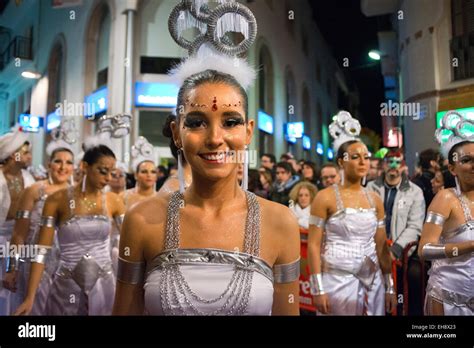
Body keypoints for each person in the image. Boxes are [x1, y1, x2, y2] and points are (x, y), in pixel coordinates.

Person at [113, 1, 299, 315]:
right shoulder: (141, 220)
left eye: (231, 121)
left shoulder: (280, 222)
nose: (215, 138)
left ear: (248, 131)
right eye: (197, 122)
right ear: (176, 133)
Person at [15, 144, 125, 315]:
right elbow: (41, 251)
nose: (108, 178)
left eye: (112, 173)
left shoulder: (114, 201)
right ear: (84, 166)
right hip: (66, 287)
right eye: (103, 171)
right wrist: (30, 297)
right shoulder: (56, 200)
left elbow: (130, 246)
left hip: (104, 286)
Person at [307, 111, 396, 315]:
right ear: (341, 162)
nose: (363, 162)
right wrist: (318, 288)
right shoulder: (325, 197)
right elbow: (313, 245)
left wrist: (389, 285)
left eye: (366, 157)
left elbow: (382, 247)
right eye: (355, 157)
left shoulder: (374, 199)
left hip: (373, 282)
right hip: (336, 282)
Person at [4, 145, 74, 315]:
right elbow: (19, 234)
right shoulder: (33, 191)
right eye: (58, 161)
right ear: (49, 164)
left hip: (68, 265)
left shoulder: (78, 193)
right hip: (35, 262)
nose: (63, 167)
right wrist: (11, 268)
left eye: (68, 162)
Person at [419, 111, 474, 315]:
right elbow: (424, 250)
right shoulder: (445, 199)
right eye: (467, 160)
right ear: (452, 168)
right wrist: (469, 246)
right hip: (448, 300)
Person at [366, 149, 425, 315]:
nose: (393, 166)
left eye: (397, 162)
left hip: (402, 251)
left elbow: (415, 226)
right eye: (389, 161)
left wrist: (396, 250)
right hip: (373, 248)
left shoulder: (415, 192)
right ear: (383, 165)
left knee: (414, 275)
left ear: (403, 165)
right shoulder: (370, 188)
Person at [0, 129, 35, 315]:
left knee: (16, 290)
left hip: (21, 242)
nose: (30, 156)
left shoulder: (28, 179)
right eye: (26, 152)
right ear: (14, 154)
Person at [121, 137, 158, 210]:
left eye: (153, 172)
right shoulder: (124, 197)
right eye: (144, 171)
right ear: (136, 175)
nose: (149, 175)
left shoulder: (161, 199)